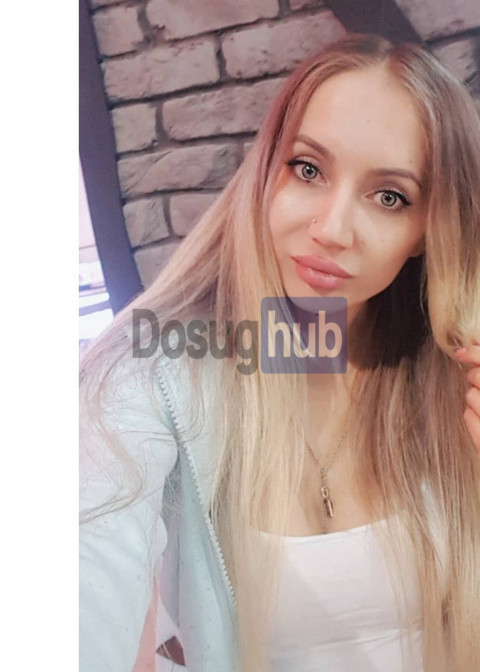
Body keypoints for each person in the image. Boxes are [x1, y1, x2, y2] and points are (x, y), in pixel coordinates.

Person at [79, 34, 480, 672]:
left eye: (390, 196)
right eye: (309, 169)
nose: (331, 230)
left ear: (428, 229)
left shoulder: (455, 372)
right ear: (266, 171)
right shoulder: (151, 372)